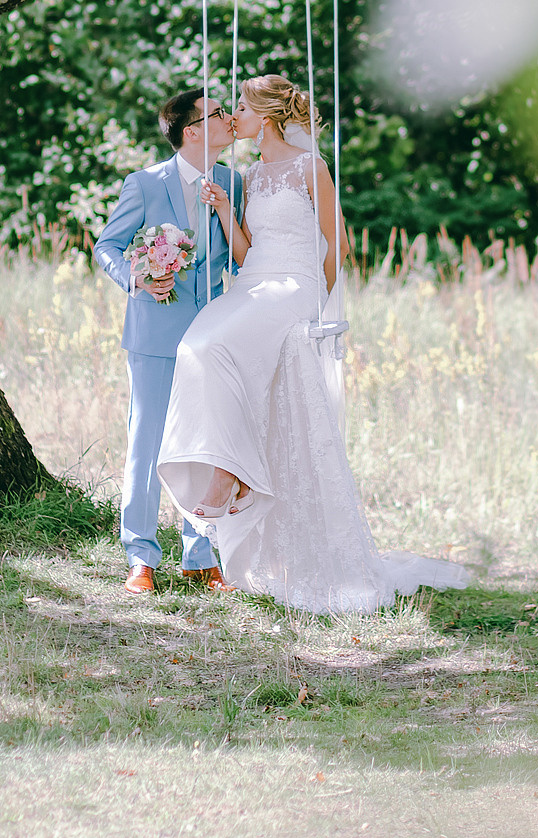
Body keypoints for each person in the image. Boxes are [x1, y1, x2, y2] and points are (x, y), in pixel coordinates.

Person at [157, 74, 470, 613]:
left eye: (241, 109)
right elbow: (246, 250)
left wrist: (317, 300)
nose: (233, 117)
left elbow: (338, 242)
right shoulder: (251, 175)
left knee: (218, 347)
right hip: (255, 279)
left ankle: (232, 476)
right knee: (197, 347)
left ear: (268, 116)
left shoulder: (310, 167)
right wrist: (227, 213)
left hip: (295, 285)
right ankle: (231, 470)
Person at [91, 90, 248, 593]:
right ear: (192, 131)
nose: (227, 119)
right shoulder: (143, 183)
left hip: (211, 334)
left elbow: (241, 255)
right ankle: (140, 557)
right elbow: (107, 246)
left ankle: (199, 555)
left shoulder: (232, 182)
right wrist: (138, 277)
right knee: (147, 445)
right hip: (155, 331)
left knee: (204, 444)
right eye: (218, 114)